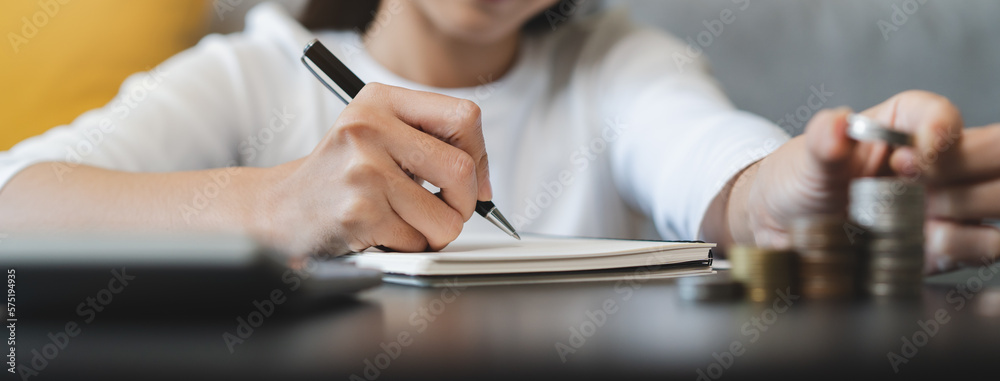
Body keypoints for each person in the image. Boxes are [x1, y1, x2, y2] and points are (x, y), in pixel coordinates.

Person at [0, 0, 995, 273]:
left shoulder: (614, 63)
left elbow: (722, 169)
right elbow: (17, 202)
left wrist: (802, 179)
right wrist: (275, 201)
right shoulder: (257, 65)